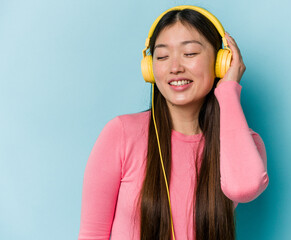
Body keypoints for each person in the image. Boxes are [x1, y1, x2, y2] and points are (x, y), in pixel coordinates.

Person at [78, 5, 269, 240]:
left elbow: (245, 188)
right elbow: (92, 234)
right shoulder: (121, 134)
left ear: (221, 62)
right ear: (149, 68)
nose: (175, 67)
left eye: (189, 54)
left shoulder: (242, 143)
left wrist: (229, 91)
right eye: (162, 56)